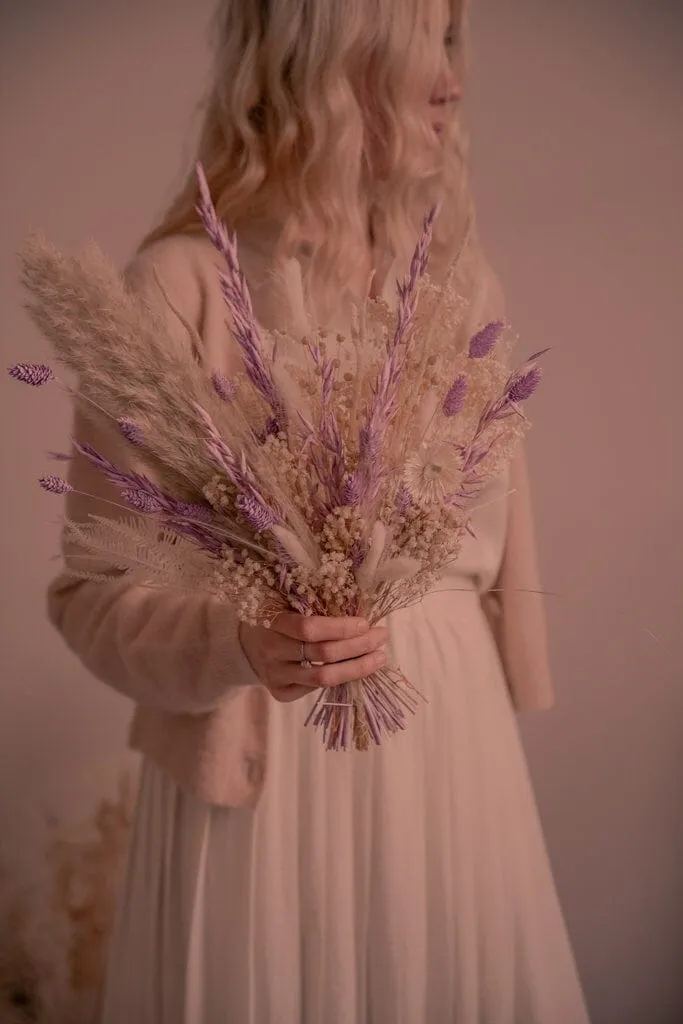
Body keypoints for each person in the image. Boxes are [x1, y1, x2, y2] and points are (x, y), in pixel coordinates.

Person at [47, 0, 591, 1020]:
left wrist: (510, 674)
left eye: (451, 41)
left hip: (446, 743)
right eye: (415, 40)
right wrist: (237, 639)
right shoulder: (179, 287)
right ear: (322, 64)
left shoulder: (457, 283)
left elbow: (482, 553)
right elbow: (90, 594)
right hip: (265, 777)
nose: (450, 80)